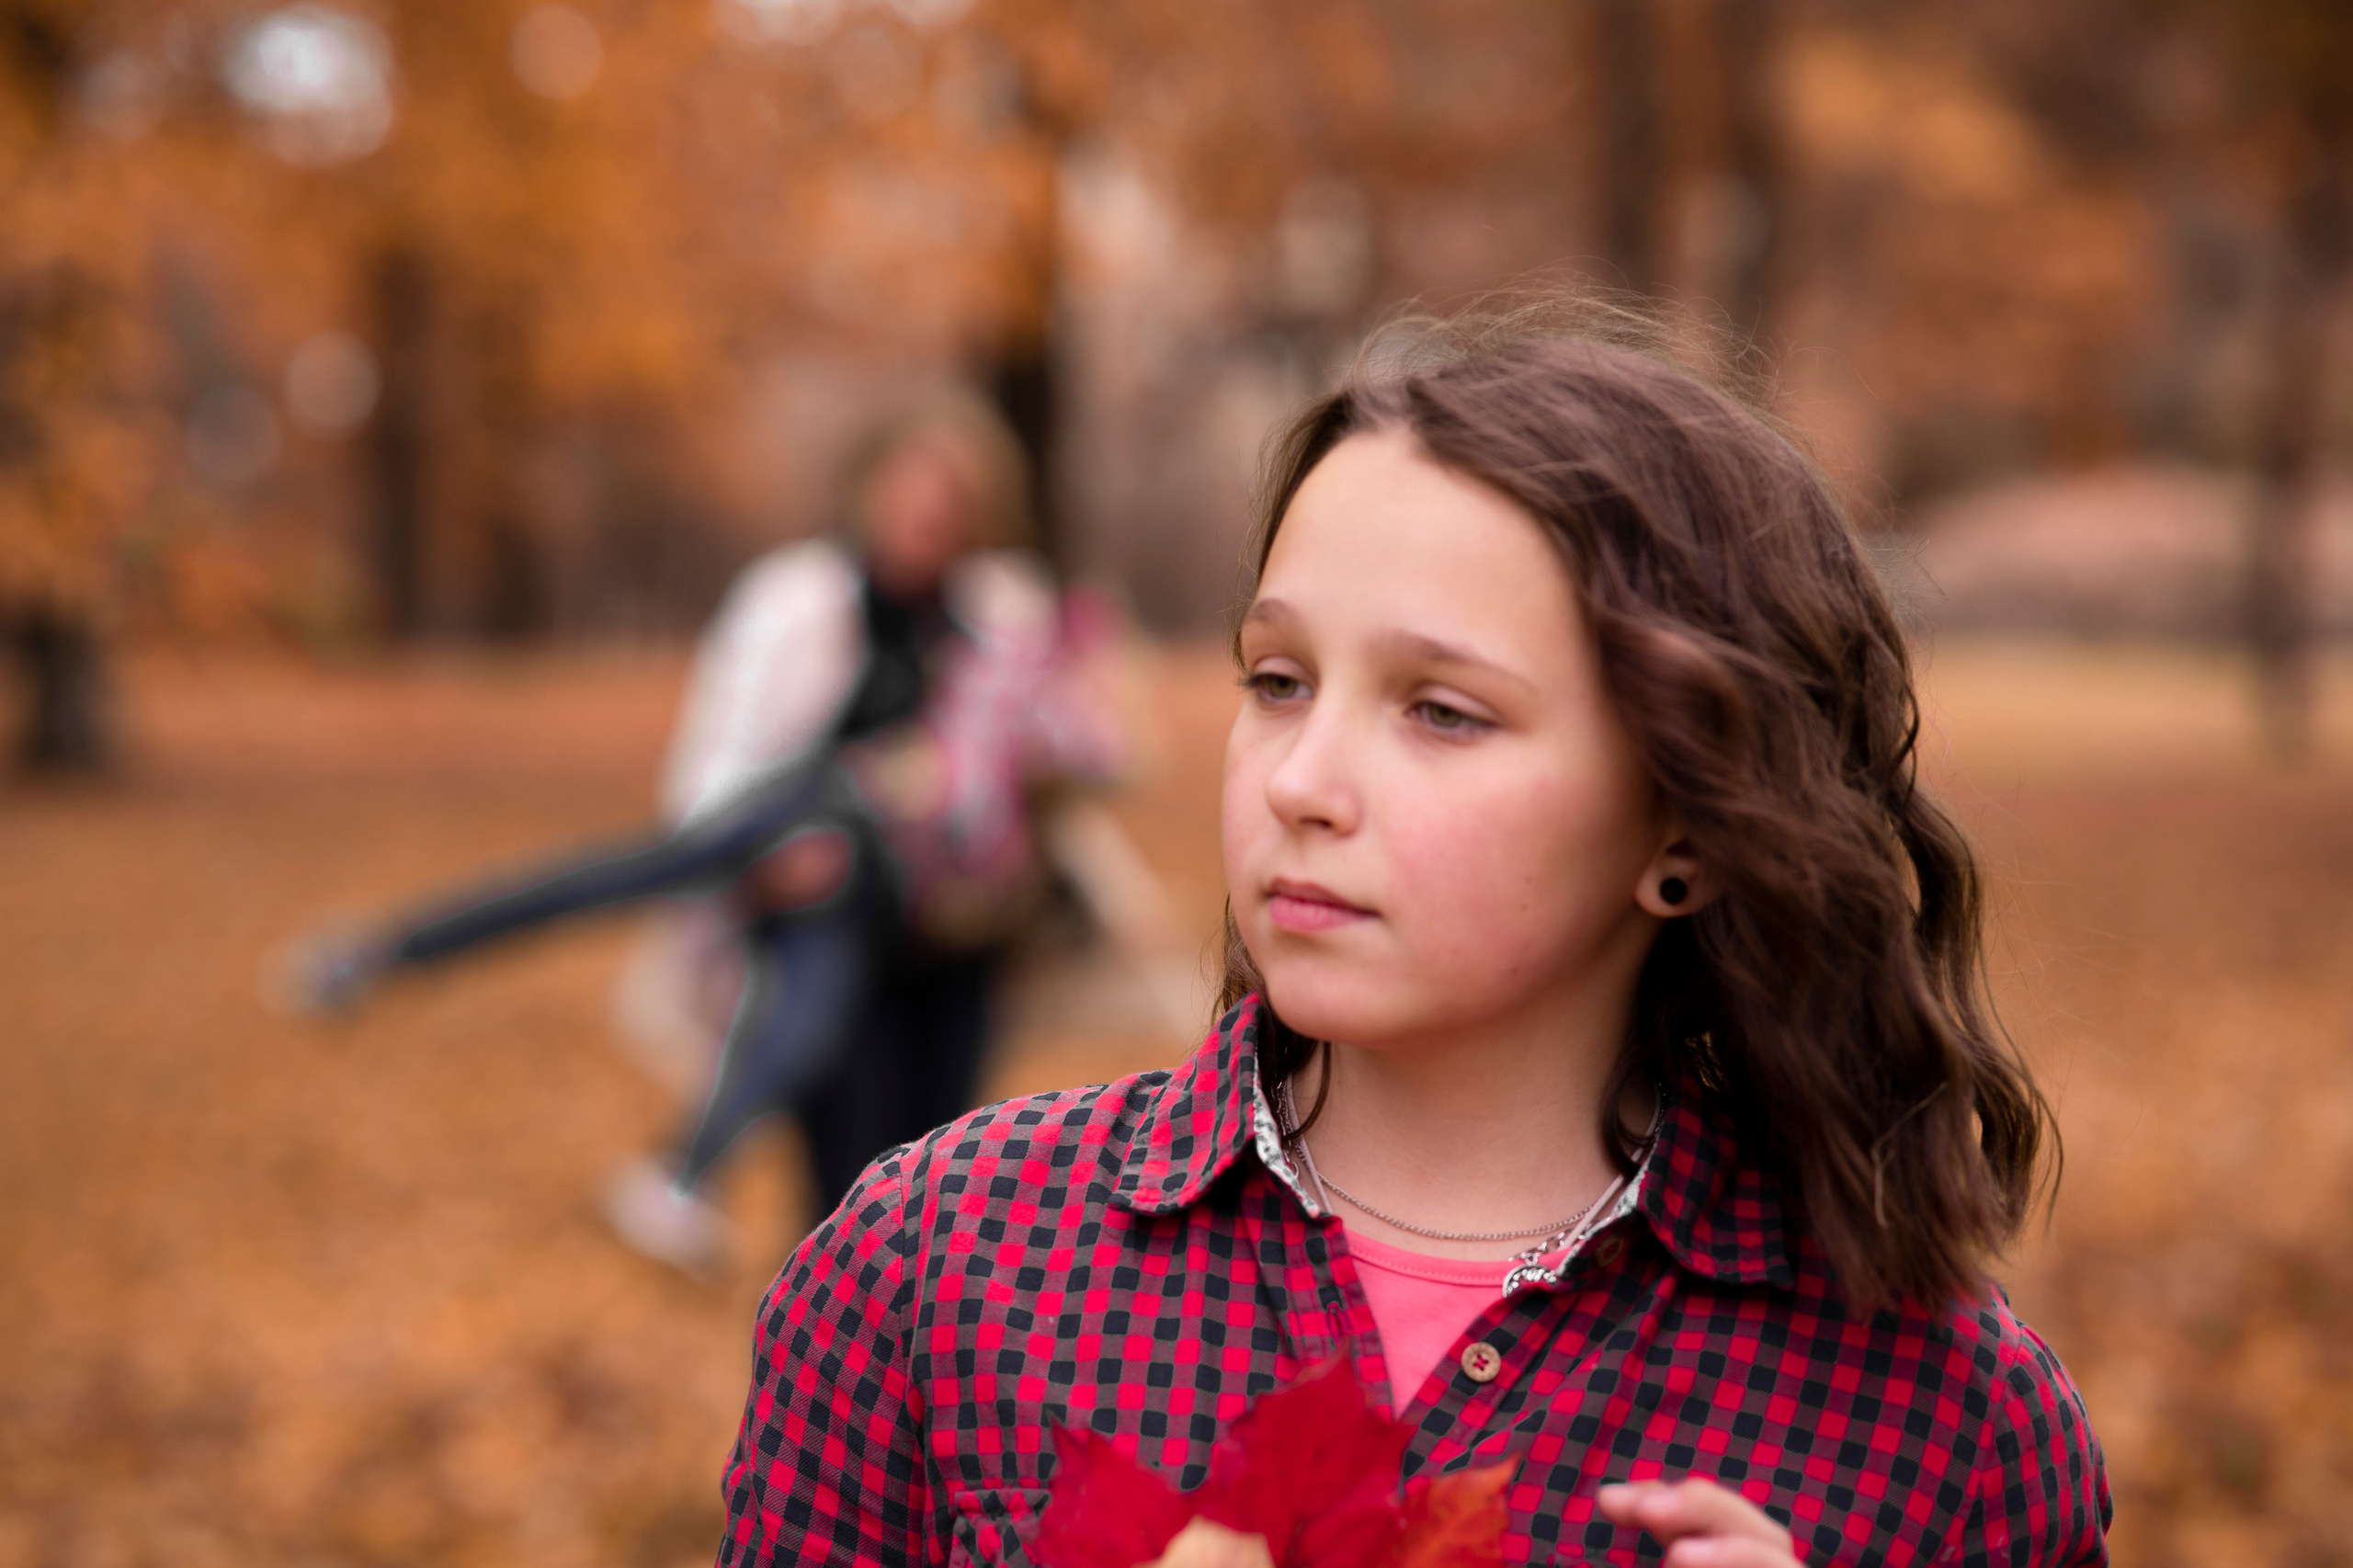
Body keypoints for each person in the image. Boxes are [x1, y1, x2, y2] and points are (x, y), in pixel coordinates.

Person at [712, 296, 2109, 1567]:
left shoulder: (1945, 1430)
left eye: (1442, 710)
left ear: (1685, 822)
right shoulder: (936, 1268)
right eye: (1278, 679)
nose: (1301, 782)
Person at [293, 390, 1124, 1272]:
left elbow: (1069, 758)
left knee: (862, 1101)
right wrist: (772, 860)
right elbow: (722, 749)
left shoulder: (1001, 617)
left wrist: (1058, 708)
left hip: (924, 929)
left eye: (951, 497)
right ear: (871, 487)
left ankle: (687, 1177)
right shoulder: (802, 597)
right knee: (610, 881)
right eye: (912, 487)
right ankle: (384, 953)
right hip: (791, 847)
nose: (928, 513)